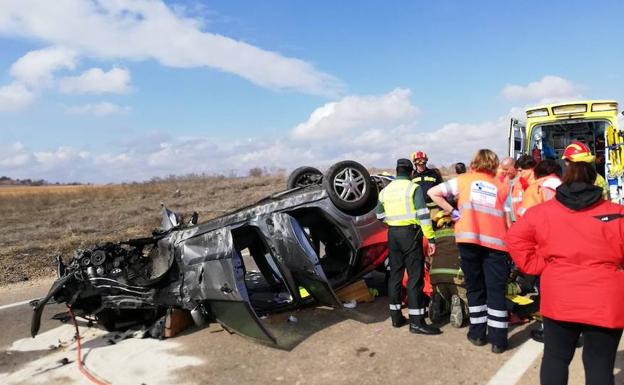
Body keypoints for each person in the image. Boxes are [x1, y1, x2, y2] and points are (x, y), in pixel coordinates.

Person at [505, 161, 624, 385]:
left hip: (559, 296)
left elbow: (514, 238)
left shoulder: (541, 212)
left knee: (556, 358)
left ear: (565, 179)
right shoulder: (617, 213)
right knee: (600, 364)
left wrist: (537, 265)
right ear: (593, 181)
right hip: (605, 299)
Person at [428, 149, 510, 353]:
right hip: (496, 244)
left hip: (468, 240)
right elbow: (508, 218)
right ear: (493, 164)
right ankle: (499, 340)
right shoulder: (501, 185)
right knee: (495, 291)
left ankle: (478, 334)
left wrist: (453, 212)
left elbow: (433, 193)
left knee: (474, 288)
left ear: (474, 162)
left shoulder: (463, 180)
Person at [376, 158, 441, 335]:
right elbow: (423, 215)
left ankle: (396, 317)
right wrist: (431, 238)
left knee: (395, 275)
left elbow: (379, 215)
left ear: (397, 171)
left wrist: (393, 223)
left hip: (393, 234)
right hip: (411, 235)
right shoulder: (413, 188)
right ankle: (417, 322)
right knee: (415, 277)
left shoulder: (385, 191)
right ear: (411, 172)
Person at [504, 155, 536, 226]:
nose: (519, 173)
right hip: (519, 222)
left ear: (531, 169)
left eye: (521, 171)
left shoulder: (537, 185)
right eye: (518, 171)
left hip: (529, 223)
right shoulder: (518, 183)